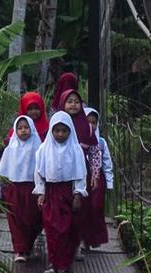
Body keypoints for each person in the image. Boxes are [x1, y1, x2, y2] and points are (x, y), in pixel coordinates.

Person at [34, 112, 87, 273]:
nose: (60, 134)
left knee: (68, 229)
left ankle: (66, 266)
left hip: (68, 194)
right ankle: (53, 264)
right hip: (51, 193)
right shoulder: (44, 149)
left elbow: (80, 174)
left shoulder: (75, 149)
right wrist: (41, 192)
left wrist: (78, 193)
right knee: (51, 229)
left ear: (70, 131)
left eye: (64, 131)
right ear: (51, 131)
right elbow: (39, 172)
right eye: (56, 131)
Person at [59, 90, 107, 255]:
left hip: (81, 173)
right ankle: (61, 243)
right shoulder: (57, 124)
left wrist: (94, 175)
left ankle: (76, 243)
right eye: (69, 101)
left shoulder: (86, 127)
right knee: (61, 208)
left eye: (76, 102)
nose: (73, 105)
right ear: (63, 104)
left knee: (80, 209)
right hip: (60, 175)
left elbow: (94, 152)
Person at [0, 115, 43, 261]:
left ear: (32, 129)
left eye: (26, 127)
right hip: (14, 188)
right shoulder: (11, 148)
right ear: (15, 130)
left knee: (33, 219)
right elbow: (2, 171)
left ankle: (27, 245)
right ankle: (19, 249)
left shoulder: (38, 148)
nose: (23, 131)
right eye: (20, 128)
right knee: (15, 219)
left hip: (33, 189)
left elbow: (42, 168)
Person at [85, 107, 114, 243]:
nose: (91, 126)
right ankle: (83, 238)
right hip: (83, 178)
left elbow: (107, 162)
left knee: (96, 208)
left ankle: (94, 238)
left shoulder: (101, 142)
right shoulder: (78, 141)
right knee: (84, 209)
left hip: (97, 179)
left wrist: (109, 182)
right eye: (87, 122)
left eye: (94, 122)